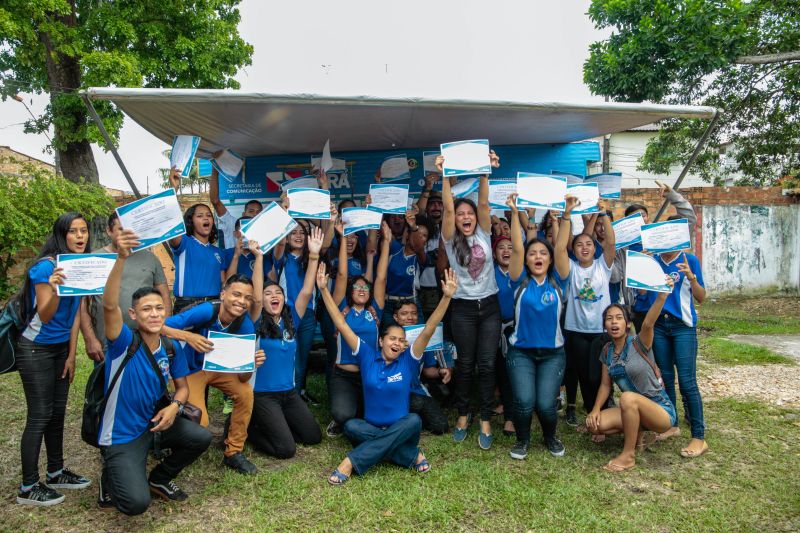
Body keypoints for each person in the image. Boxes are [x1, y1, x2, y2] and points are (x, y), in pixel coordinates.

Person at [97, 228, 213, 514]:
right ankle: (110, 474)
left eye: (159, 308)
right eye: (146, 309)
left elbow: (183, 388)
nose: (154, 313)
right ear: (133, 315)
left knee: (201, 437)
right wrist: (121, 259)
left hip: (155, 424)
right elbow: (109, 304)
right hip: (124, 434)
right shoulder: (124, 341)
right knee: (136, 504)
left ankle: (159, 479)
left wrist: (174, 407)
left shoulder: (170, 346)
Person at [321, 266, 458, 485]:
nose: (397, 343)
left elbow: (429, 328)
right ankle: (410, 455)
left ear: (405, 345)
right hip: (372, 427)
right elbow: (340, 323)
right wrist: (324, 291)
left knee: (414, 420)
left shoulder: (408, 360)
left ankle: (350, 462)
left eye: (401, 340)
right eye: (392, 338)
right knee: (351, 426)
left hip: (402, 427)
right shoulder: (366, 355)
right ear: (381, 341)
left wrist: (447, 297)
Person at [15, 213, 92, 506]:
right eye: (73, 232)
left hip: (61, 349)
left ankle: (56, 471)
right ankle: (28, 487)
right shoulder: (44, 268)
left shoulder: (79, 267)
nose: (80, 236)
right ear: (62, 235)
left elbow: (73, 316)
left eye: (83, 230)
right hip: (35, 348)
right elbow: (45, 315)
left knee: (57, 413)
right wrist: (56, 285)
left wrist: (72, 354)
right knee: (39, 415)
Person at [161, 274, 260, 474]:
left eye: (247, 298)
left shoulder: (245, 325)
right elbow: (161, 327)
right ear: (223, 294)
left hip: (220, 369)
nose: (241, 302)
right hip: (192, 369)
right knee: (201, 423)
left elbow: (242, 377)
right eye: (237, 295)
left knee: (245, 393)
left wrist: (251, 365)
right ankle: (165, 435)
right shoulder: (208, 311)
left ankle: (233, 452)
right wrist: (188, 336)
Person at [437, 151, 502, 449]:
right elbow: (448, 211)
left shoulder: (486, 234)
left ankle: (486, 418)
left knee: (487, 364)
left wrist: (484, 172)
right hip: (461, 307)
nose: (465, 217)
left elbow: (485, 202)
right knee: (465, 364)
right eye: (461, 214)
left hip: (489, 306)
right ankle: (463, 414)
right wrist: (444, 177)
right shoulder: (451, 239)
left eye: (470, 214)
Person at [585, 278, 678, 472]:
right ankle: (639, 431)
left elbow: (648, 324)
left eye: (619, 318)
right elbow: (605, 385)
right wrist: (595, 409)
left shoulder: (639, 342)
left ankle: (628, 455)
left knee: (627, 398)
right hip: (632, 408)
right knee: (594, 425)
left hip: (660, 412)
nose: (614, 322)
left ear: (627, 324)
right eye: (609, 319)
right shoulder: (607, 351)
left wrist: (661, 297)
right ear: (605, 325)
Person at [504, 195, 571, 459]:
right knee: (523, 403)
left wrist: (566, 214)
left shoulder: (559, 282)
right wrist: (512, 212)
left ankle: (550, 436)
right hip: (521, 353)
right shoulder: (518, 280)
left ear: (550, 259)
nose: (537, 256)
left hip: (552, 354)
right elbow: (517, 248)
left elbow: (562, 248)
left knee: (545, 405)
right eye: (533, 253)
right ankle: (522, 440)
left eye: (543, 252)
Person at [247, 230, 324, 458]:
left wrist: (313, 256)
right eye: (268, 293)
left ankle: (277, 425)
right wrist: (260, 257)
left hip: (289, 394)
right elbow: (257, 298)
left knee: (313, 437)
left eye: (278, 292)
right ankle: (250, 430)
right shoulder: (256, 320)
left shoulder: (293, 320)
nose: (274, 295)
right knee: (286, 450)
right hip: (263, 395)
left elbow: (307, 290)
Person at [322, 221, 390, 438]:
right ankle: (343, 414)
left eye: (365, 287)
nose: (362, 289)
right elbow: (341, 275)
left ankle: (362, 409)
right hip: (344, 375)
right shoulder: (341, 308)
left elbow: (381, 277)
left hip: (371, 374)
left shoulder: (375, 309)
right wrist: (342, 238)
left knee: (376, 417)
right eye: (357, 287)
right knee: (343, 415)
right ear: (350, 292)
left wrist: (386, 242)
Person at [80, 211, 171, 363]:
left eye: (130, 229)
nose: (127, 233)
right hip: (108, 345)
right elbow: (82, 305)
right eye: (121, 229)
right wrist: (90, 339)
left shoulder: (150, 258)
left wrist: (164, 329)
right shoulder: (93, 260)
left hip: (147, 342)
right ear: (109, 231)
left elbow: (165, 296)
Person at [647, 248, 709, 458]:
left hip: (683, 326)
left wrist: (691, 277)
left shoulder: (688, 259)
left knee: (687, 381)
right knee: (665, 377)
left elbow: (701, 298)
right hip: (659, 326)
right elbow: (643, 293)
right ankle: (671, 425)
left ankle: (699, 437)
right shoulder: (653, 261)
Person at [273, 202, 336, 403]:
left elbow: (325, 243)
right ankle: (286, 396)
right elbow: (279, 243)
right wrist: (283, 215)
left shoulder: (312, 257)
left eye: (302, 232)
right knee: (288, 357)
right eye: (294, 232)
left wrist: (332, 221)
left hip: (307, 314)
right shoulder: (282, 257)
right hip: (285, 314)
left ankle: (297, 396)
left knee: (301, 358)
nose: (298, 235)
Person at [562, 198, 616, 430]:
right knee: (585, 376)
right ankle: (593, 417)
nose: (584, 247)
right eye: (579, 245)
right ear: (573, 250)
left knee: (601, 376)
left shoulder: (603, 266)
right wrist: (566, 213)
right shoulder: (570, 268)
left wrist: (602, 212)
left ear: (595, 249)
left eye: (589, 244)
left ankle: (605, 414)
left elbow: (612, 243)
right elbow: (558, 247)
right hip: (576, 331)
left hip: (600, 332)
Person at [168, 168, 227, 313]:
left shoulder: (218, 252)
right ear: (190, 221)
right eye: (200, 216)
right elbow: (171, 225)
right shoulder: (184, 243)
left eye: (208, 215)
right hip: (188, 306)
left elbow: (223, 282)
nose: (206, 218)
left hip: (214, 306)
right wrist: (172, 191)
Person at [391, 299, 452, 435]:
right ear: (396, 317)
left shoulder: (423, 339)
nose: (410, 317)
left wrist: (441, 371)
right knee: (415, 403)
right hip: (393, 389)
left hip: (416, 388)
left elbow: (428, 371)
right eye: (404, 314)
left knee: (441, 426)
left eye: (413, 313)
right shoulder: (388, 337)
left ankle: (411, 419)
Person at [492, 234, 519, 437]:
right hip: (494, 329)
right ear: (494, 253)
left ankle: (511, 416)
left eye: (510, 247)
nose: (506, 251)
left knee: (514, 373)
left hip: (519, 330)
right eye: (501, 247)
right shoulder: (490, 273)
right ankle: (506, 408)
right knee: (500, 371)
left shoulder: (522, 273)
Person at [209, 165, 263, 249]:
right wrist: (215, 171)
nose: (254, 215)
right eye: (251, 211)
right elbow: (215, 201)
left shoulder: (264, 230)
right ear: (243, 214)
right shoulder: (231, 223)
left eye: (258, 212)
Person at [221, 216, 275, 281]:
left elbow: (273, 280)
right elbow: (227, 283)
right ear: (235, 234)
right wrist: (236, 256)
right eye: (244, 230)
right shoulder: (225, 254)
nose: (249, 234)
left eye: (252, 230)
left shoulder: (260, 254)